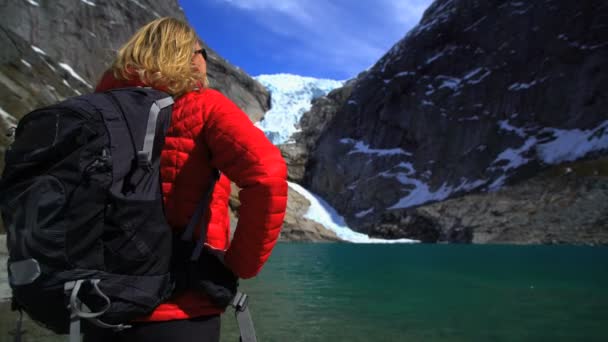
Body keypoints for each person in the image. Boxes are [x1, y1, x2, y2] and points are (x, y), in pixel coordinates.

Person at [88, 17, 288, 342]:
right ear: (189, 56)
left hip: (98, 308)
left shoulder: (94, 112)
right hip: (182, 310)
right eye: (202, 54)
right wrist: (240, 265)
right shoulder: (202, 107)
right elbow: (267, 175)